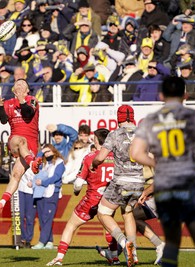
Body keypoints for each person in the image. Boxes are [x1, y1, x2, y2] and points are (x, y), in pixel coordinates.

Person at [130, 76, 195, 267]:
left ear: (161, 95)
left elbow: (135, 152)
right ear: (185, 95)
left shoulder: (151, 120)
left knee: (172, 242)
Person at [46, 128, 112, 265]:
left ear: (95, 140)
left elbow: (78, 184)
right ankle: (115, 256)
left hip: (92, 199)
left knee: (71, 225)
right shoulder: (116, 157)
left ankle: (59, 257)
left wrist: (76, 192)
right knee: (109, 226)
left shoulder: (89, 157)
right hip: (109, 198)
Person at [92, 105, 145, 267]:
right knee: (127, 213)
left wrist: (94, 164)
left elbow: (100, 157)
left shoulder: (114, 134)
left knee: (103, 213)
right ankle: (133, 253)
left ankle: (124, 243)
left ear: (118, 118)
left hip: (121, 180)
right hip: (139, 180)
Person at [0, 79, 42, 213]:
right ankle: (32, 163)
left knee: (16, 174)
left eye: (23, 85)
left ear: (27, 90)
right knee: (20, 141)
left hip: (31, 145)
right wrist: (1, 106)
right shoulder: (8, 103)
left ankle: (2, 202)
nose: (19, 86)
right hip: (16, 140)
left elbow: (28, 113)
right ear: (13, 89)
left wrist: (21, 100)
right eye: (17, 84)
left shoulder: (32, 100)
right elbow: (3, 120)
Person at [31, 144, 65, 250]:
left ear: (54, 151)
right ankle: (49, 241)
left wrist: (43, 182)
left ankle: (42, 241)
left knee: (47, 217)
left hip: (52, 192)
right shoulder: (44, 163)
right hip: (41, 193)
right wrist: (41, 152)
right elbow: (36, 163)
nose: (47, 154)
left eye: (49, 151)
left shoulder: (59, 162)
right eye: (45, 152)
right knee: (42, 218)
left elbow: (56, 177)